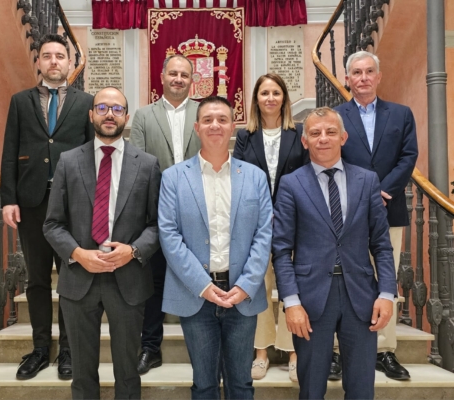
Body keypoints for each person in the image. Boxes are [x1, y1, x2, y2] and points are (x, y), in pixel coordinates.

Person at [43, 87, 161, 399]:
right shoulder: (68, 162)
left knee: (127, 373)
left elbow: (158, 224)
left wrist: (133, 251)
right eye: (103, 108)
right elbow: (52, 224)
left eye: (117, 108)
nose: (110, 114)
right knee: (82, 375)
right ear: (91, 114)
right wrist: (78, 253)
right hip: (79, 280)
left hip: (128, 279)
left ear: (127, 117)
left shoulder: (147, 165)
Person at [272, 107, 397, 399]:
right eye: (315, 133)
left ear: (343, 137)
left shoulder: (367, 180)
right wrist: (291, 302)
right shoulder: (291, 184)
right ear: (305, 141)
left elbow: (380, 243)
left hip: (361, 297)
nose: (323, 139)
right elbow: (281, 250)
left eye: (330, 132)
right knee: (312, 388)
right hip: (311, 299)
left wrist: (387, 293)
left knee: (361, 388)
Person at [159, 96, 272, 399]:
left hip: (242, 296)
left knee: (241, 384)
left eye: (222, 119)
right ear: (196, 127)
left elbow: (264, 236)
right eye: (207, 119)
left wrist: (247, 285)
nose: (215, 125)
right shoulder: (173, 178)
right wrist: (203, 285)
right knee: (204, 384)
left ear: (233, 126)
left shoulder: (255, 177)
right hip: (195, 296)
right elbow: (169, 236)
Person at [0, 34, 94, 380]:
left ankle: (69, 349)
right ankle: (41, 349)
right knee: (38, 280)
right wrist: (8, 199)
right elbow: (10, 151)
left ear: (71, 63)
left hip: (73, 205)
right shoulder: (20, 101)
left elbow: (93, 154)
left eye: (60, 56)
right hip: (32, 204)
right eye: (47, 56)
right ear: (38, 63)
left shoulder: (87, 102)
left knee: (72, 279)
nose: (54, 62)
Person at [333, 50, 418, 381]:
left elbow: (408, 155)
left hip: (388, 207)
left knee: (386, 280)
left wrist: (383, 190)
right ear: (347, 78)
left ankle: (385, 349)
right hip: (345, 212)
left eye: (369, 71)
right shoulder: (336, 116)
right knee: (344, 279)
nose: (363, 77)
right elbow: (329, 157)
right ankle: (338, 351)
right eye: (357, 72)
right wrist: (360, 192)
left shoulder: (401, 114)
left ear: (378, 77)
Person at [233, 73, 308, 381]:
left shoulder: (299, 132)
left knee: (294, 287)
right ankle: (261, 351)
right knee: (260, 286)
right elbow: (237, 178)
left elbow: (307, 177)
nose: (270, 98)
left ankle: (293, 353)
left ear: (284, 98)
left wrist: (287, 212)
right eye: (264, 93)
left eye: (276, 92)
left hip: (295, 222)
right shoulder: (244, 135)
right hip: (257, 224)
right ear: (256, 99)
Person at [129, 54, 202, 374]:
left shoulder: (205, 112)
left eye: (184, 75)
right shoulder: (144, 116)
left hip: (199, 210)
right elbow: (136, 166)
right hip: (157, 212)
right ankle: (150, 347)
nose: (178, 79)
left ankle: (203, 347)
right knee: (154, 280)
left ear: (191, 80)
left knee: (199, 278)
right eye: (173, 73)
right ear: (162, 76)